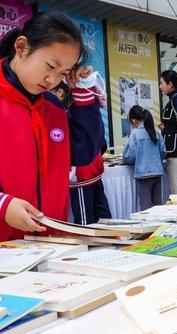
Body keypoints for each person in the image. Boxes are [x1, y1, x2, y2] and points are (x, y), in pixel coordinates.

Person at [0, 11, 104, 240]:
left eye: (63, 73)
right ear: (21, 47)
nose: (53, 80)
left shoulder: (52, 108)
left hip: (50, 247)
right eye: (50, 66)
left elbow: (84, 151)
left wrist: (83, 91)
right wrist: (3, 204)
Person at [48, 81, 111, 225]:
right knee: (102, 211)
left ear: (60, 92)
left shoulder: (68, 114)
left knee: (84, 217)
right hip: (94, 169)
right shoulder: (86, 112)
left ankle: (91, 242)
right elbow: (101, 143)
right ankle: (111, 237)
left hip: (81, 173)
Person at [123, 106, 166, 211]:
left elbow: (129, 156)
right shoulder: (155, 133)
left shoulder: (135, 135)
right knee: (158, 205)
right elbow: (163, 151)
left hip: (143, 174)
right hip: (157, 172)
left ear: (133, 121)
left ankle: (149, 226)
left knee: (146, 207)